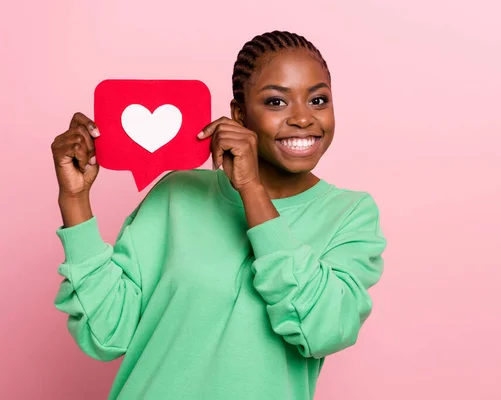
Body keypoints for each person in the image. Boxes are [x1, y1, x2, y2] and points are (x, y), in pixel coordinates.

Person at [51, 30, 387, 400]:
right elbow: (106, 333)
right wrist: (75, 198)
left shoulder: (350, 214)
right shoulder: (178, 194)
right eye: (276, 102)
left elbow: (322, 330)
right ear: (239, 114)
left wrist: (252, 190)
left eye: (318, 100)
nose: (303, 119)